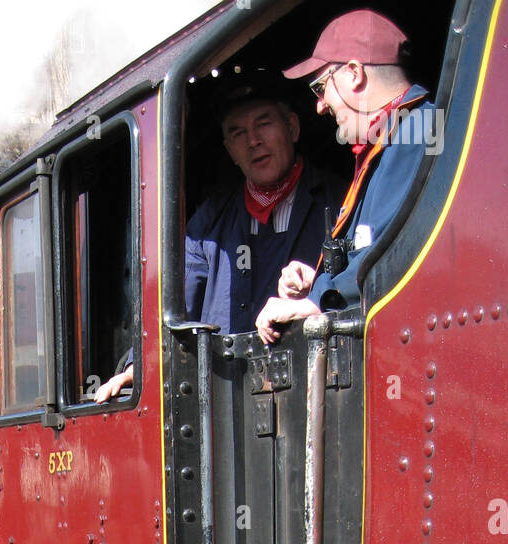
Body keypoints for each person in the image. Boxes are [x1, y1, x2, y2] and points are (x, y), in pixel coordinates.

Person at [95, 78, 342, 400]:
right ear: (229, 151)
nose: (253, 141)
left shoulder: (340, 201)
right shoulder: (209, 219)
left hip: (315, 390)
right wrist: (136, 368)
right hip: (232, 400)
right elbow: (177, 298)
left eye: (263, 124)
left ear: (292, 128)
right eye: (238, 133)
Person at [255, 9, 437, 344]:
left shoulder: (417, 130)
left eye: (321, 87)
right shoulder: (393, 136)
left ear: (354, 73)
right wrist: (321, 280)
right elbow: (373, 246)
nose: (320, 106)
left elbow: (389, 254)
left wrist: (318, 300)